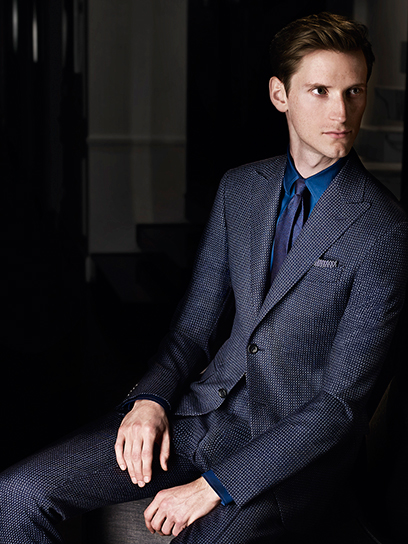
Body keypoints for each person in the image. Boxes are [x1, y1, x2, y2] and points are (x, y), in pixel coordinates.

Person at [1, 12, 408, 544]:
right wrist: (150, 400)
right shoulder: (240, 189)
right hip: (202, 418)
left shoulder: (383, 228)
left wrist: (211, 487)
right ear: (280, 95)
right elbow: (192, 330)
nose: (342, 111)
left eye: (354, 91)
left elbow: (338, 406)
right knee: (19, 493)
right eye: (320, 91)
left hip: (288, 458)